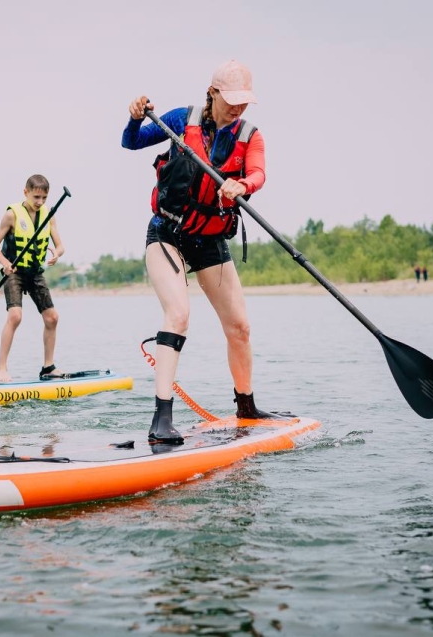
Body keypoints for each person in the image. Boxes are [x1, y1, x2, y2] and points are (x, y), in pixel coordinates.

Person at [122, 60, 273, 446]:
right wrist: (135, 117)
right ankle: (161, 418)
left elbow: (258, 173)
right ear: (213, 93)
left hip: (209, 240)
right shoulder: (179, 119)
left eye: (244, 101)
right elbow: (132, 141)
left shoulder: (250, 136)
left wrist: (242, 185)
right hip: (167, 233)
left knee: (240, 327)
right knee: (179, 313)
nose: (238, 108)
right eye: (231, 100)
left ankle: (246, 406)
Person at [0, 174, 65, 382]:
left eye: (44, 198)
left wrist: (57, 254)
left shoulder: (49, 215)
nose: (39, 202)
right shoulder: (12, 215)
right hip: (14, 273)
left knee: (52, 318)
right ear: (26, 192)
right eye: (36, 197)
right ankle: (1, 369)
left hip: (35, 273)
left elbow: (60, 245)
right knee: (15, 316)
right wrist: (5, 264)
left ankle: (48, 367)